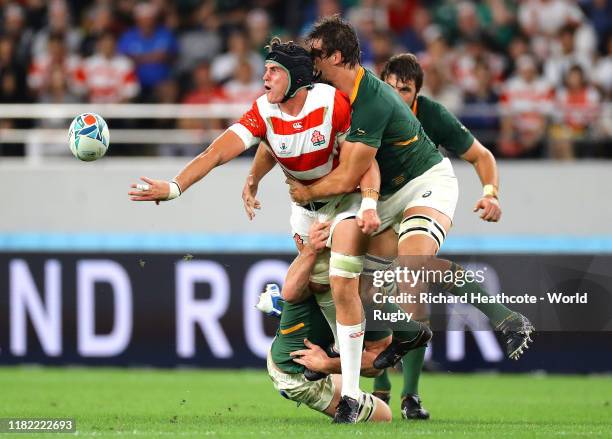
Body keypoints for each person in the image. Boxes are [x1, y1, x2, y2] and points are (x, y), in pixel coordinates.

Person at [285, 15, 534, 420]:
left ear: (334, 55)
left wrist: (305, 192)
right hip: (380, 198)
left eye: (316, 55)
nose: (311, 63)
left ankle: (504, 319)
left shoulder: (376, 101)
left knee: (411, 266)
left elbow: (349, 173)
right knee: (357, 275)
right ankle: (393, 357)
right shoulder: (332, 94)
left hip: (424, 184)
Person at [128, 38, 385, 424]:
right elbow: (216, 152)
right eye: (265, 68)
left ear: (296, 77)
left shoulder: (331, 103)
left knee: (341, 283)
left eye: (274, 69)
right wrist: (176, 187)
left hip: (344, 205)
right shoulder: (264, 111)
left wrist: (368, 204)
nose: (264, 75)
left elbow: (364, 160)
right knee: (319, 292)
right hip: (304, 214)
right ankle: (351, 361)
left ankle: (351, 392)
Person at [369, 52, 506, 418]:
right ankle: (379, 386)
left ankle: (409, 395)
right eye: (390, 87)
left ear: (417, 94)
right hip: (375, 208)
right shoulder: (366, 110)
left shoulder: (433, 115)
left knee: (412, 281)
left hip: (418, 202)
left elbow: (482, 156)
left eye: (406, 89)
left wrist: (490, 193)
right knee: (373, 291)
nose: (396, 95)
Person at [260, 221, 392, 423]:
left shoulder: (374, 293)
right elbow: (291, 292)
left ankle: (283, 311)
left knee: (384, 412)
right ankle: (286, 311)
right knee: (383, 417)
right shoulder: (320, 270)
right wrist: (310, 249)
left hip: (320, 362)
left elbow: (377, 363)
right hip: (295, 375)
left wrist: (327, 365)